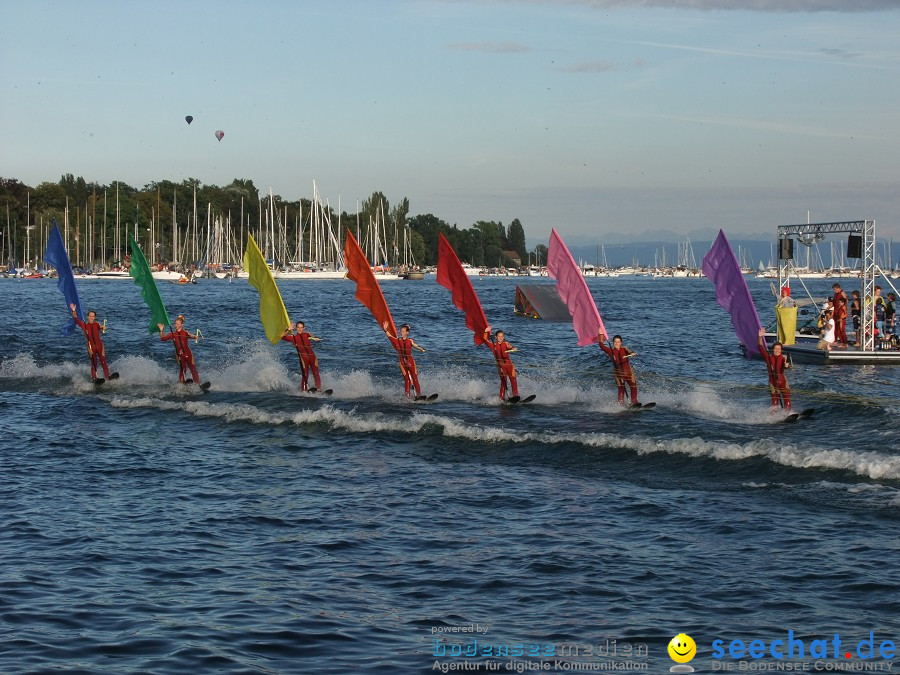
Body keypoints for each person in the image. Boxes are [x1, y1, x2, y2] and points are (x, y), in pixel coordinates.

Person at [70, 302, 111, 382]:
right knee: (94, 363)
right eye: (90, 316)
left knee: (103, 362)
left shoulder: (97, 324)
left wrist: (104, 327)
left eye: (93, 316)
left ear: (94, 317)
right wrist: (74, 311)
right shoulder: (84, 325)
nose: (91, 318)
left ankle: (107, 377)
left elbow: (102, 327)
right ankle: (94, 378)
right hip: (91, 347)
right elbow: (75, 319)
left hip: (99, 346)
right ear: (88, 317)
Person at [383, 321, 425, 398]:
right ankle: (408, 397)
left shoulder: (410, 341)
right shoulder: (397, 341)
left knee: (415, 379)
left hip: (409, 362)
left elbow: (416, 346)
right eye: (401, 331)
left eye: (403, 331)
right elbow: (389, 336)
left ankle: (419, 395)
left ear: (407, 332)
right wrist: (385, 330)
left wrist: (422, 349)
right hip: (403, 363)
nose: (401, 333)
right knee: (407, 380)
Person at [597, 331, 639, 407]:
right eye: (615, 342)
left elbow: (630, 351)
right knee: (621, 389)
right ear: (613, 343)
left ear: (621, 343)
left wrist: (632, 353)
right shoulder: (611, 351)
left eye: (618, 342)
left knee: (633, 387)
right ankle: (620, 405)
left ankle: (634, 402)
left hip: (629, 373)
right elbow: (601, 346)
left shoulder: (625, 349)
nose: (617, 343)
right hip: (618, 374)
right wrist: (600, 334)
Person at [158, 315, 201, 383]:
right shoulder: (172, 334)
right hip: (179, 355)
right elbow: (162, 338)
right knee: (183, 369)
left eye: (178, 324)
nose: (176, 325)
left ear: (182, 324)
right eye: (175, 323)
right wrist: (161, 330)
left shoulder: (185, 332)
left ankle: (198, 384)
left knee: (193, 368)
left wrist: (195, 336)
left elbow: (191, 336)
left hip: (188, 353)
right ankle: (182, 384)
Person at [282, 320, 322, 392]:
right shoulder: (293, 337)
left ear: (303, 328)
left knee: (316, 373)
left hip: (312, 356)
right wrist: (288, 329)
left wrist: (313, 337)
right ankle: (303, 391)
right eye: (298, 327)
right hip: (303, 358)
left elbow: (314, 337)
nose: (300, 329)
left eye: (301, 327)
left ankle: (319, 389)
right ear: (296, 328)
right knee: (305, 375)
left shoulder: (307, 334)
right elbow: (283, 337)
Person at [758, 328, 790, 411]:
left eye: (779, 349)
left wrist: (786, 365)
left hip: (783, 382)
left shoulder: (783, 358)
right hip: (772, 382)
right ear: (773, 350)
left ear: (781, 350)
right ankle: (772, 417)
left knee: (786, 399)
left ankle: (787, 414)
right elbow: (760, 348)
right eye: (776, 349)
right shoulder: (768, 358)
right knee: (775, 401)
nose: (777, 351)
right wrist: (760, 337)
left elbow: (785, 365)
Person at [483, 327, 519, 401]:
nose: (500, 338)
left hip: (509, 365)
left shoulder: (506, 343)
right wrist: (486, 332)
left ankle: (516, 396)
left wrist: (514, 348)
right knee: (503, 383)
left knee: (514, 381)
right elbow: (485, 340)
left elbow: (511, 347)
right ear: (496, 337)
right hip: (501, 366)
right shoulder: (493, 345)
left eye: (502, 336)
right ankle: (501, 398)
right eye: (499, 336)